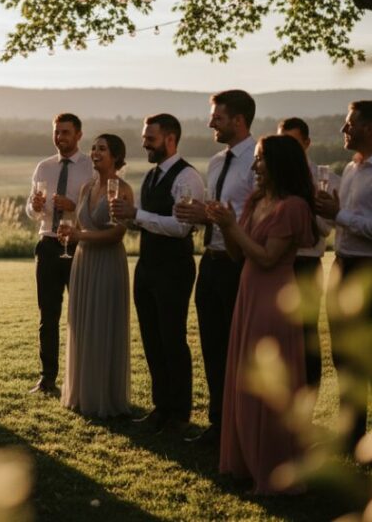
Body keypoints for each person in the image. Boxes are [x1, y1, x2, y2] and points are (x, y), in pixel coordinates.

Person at [208, 135, 317, 495]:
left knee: (268, 383)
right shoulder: (256, 201)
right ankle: (244, 463)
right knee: (244, 378)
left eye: (260, 160)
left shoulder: (294, 207)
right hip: (249, 292)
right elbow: (241, 256)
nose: (254, 167)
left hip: (274, 299)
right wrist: (225, 224)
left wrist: (234, 227)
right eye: (255, 160)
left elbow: (269, 258)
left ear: (280, 164)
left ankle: (273, 469)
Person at [111, 113, 204, 434]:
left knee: (172, 339)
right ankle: (161, 406)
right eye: (144, 137)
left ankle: (179, 413)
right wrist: (131, 219)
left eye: (149, 138)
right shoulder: (151, 177)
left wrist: (137, 214)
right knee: (151, 337)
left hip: (174, 268)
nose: (144, 143)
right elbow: (150, 219)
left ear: (170, 139)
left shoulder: (187, 177)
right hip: (147, 265)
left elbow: (181, 227)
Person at [175, 89, 257, 446]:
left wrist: (210, 215)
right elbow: (218, 211)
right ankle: (218, 424)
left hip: (241, 265)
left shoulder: (258, 160)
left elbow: (258, 216)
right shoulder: (215, 161)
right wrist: (201, 215)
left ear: (238, 121)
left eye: (217, 118)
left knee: (241, 351)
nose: (210, 122)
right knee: (212, 345)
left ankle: (244, 426)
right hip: (209, 262)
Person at [315, 100, 372, 450]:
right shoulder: (351, 169)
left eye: (349, 123)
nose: (343, 129)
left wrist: (340, 215)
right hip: (342, 266)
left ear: (369, 128)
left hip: (369, 271)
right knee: (342, 353)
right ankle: (351, 432)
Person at [59, 134, 132, 417]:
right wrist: (72, 234)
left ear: (116, 156)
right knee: (81, 324)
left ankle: (104, 395)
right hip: (83, 261)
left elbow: (118, 232)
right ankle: (81, 391)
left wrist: (79, 235)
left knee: (103, 324)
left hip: (108, 262)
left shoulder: (123, 189)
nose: (95, 152)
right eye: (93, 148)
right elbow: (78, 225)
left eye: (102, 149)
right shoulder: (86, 188)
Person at [25, 113, 94, 395]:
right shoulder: (44, 167)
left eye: (66, 132)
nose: (60, 137)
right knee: (48, 315)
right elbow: (31, 211)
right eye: (57, 132)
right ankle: (48, 378)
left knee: (81, 315)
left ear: (78, 135)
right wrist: (36, 205)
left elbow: (96, 210)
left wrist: (73, 205)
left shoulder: (91, 167)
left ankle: (80, 377)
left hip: (78, 246)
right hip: (48, 244)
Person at [277, 117, 338, 391]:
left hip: (307, 263)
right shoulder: (275, 181)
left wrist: (310, 207)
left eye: (292, 142)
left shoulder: (327, 180)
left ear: (307, 143)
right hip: (277, 264)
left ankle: (309, 398)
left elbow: (327, 230)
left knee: (306, 336)